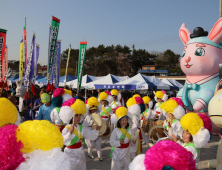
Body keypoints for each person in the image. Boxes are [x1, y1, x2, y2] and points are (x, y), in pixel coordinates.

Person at [60, 98, 101, 170]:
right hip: (70, 153)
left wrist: (96, 130)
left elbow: (91, 135)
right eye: (76, 115)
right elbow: (62, 141)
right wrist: (69, 133)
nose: (79, 118)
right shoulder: (66, 128)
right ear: (70, 116)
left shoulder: (82, 127)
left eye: (79, 115)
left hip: (80, 152)